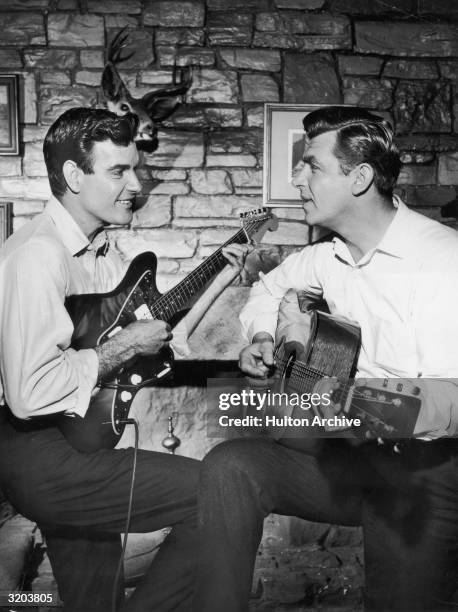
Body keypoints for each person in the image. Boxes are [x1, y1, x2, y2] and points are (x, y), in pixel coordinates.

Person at [193, 106, 458, 611]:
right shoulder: (328, 256)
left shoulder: (443, 261)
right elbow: (268, 289)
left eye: (310, 166)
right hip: (356, 456)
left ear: (359, 178)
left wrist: (343, 398)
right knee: (231, 464)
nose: (296, 179)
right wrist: (264, 338)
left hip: (428, 473)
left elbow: (453, 400)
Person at [0, 107, 250, 612]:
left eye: (135, 169)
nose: (136, 184)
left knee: (94, 602)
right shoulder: (36, 256)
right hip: (43, 457)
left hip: (84, 439)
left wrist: (221, 277)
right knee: (221, 496)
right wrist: (124, 346)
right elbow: (29, 393)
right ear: (74, 176)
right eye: (118, 171)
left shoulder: (105, 253)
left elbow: (159, 338)